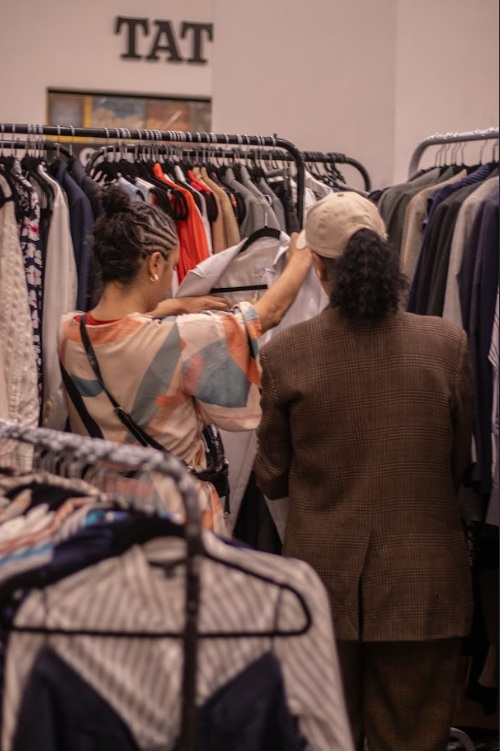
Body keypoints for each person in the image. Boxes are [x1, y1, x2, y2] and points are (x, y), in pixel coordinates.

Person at [254, 191, 474, 751]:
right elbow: (458, 463)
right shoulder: (446, 345)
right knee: (414, 740)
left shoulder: (286, 353)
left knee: (324, 740)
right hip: (424, 584)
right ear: (386, 250)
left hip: (321, 584)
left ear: (318, 266)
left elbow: (272, 474)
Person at [58, 185, 312, 535]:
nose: (170, 280)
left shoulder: (69, 332)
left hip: (103, 508)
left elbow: (119, 326)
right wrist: (299, 262)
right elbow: (267, 314)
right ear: (154, 263)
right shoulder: (181, 338)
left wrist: (175, 305)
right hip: (173, 510)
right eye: (171, 267)